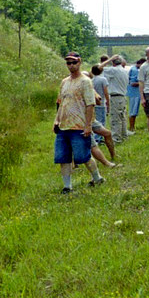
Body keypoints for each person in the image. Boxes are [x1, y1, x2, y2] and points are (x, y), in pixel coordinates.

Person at [54, 52, 104, 193]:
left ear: (79, 62)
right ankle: (67, 186)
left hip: (79, 126)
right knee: (62, 157)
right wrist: (56, 120)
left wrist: (88, 125)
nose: (71, 65)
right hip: (63, 126)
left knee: (83, 156)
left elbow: (90, 104)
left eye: (73, 62)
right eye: (68, 63)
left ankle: (97, 178)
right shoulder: (64, 82)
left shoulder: (85, 82)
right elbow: (61, 103)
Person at [99, 55, 130, 143]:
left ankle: (116, 138)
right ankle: (124, 136)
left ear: (113, 62)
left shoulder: (113, 70)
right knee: (122, 118)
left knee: (115, 118)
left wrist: (109, 59)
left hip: (115, 96)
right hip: (122, 96)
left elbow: (99, 68)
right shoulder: (124, 70)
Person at [127, 58, 143, 134]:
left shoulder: (134, 69)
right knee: (133, 111)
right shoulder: (135, 70)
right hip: (134, 93)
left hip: (136, 93)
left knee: (134, 110)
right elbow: (133, 83)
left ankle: (132, 127)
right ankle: (131, 128)